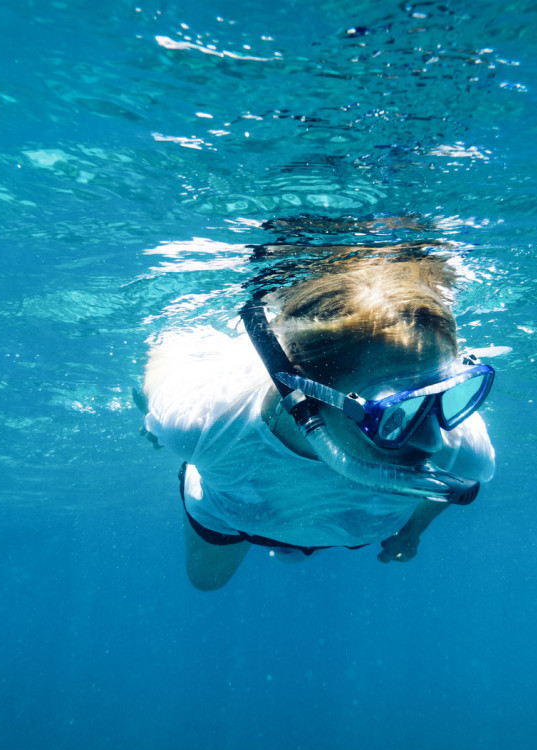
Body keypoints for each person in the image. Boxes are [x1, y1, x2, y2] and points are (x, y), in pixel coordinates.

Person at [142, 242, 497, 590]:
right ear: (309, 393)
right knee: (206, 583)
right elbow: (157, 371)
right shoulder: (205, 422)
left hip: (345, 531)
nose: (434, 440)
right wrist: (151, 419)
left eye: (449, 395)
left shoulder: (462, 449)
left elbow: (454, 482)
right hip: (231, 518)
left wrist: (414, 528)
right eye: (398, 413)